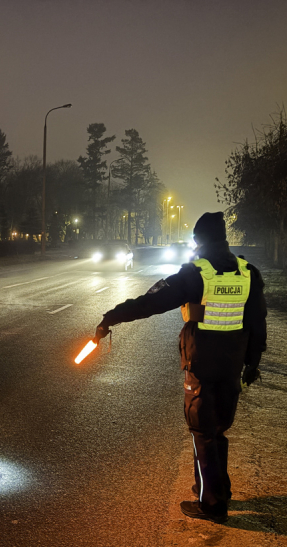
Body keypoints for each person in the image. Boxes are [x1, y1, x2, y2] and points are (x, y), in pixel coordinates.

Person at [94, 212, 267, 524]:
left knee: (202, 430)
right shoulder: (248, 273)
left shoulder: (195, 274)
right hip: (232, 366)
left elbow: (150, 303)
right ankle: (217, 489)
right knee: (217, 430)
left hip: (201, 364)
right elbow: (257, 322)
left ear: (198, 241)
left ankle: (212, 504)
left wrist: (111, 317)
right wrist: (253, 362)